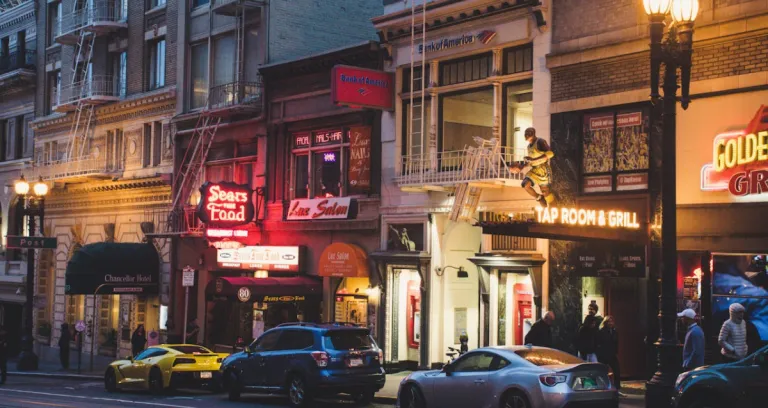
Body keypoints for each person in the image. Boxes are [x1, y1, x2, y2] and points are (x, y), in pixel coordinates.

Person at [511, 127, 555, 207]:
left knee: (545, 192)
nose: (526, 135)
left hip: (543, 169)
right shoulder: (529, 147)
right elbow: (531, 161)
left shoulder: (540, 141)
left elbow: (550, 154)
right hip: (534, 169)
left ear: (533, 133)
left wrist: (533, 159)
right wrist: (522, 167)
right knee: (525, 184)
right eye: (525, 133)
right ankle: (539, 198)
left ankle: (553, 206)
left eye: (528, 133)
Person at [596, 316, 620, 390]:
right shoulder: (601, 331)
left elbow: (616, 342)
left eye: (611, 321)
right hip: (603, 354)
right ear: (605, 323)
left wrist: (616, 351)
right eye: (608, 322)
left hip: (612, 354)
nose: (610, 323)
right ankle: (603, 386)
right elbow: (598, 343)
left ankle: (617, 388)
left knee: (617, 370)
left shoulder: (614, 331)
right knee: (603, 371)